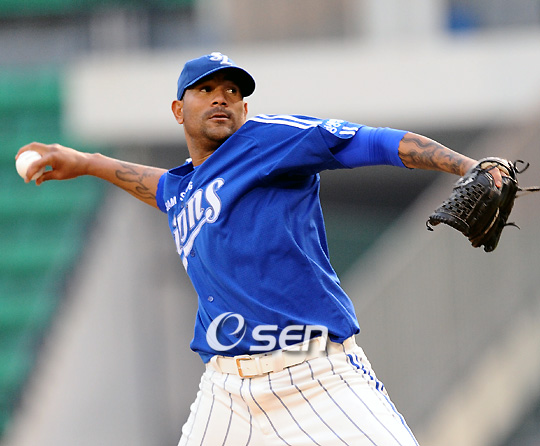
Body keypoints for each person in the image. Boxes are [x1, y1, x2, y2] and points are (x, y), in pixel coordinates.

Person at [18, 52, 504, 446]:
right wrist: (87, 162)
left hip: (313, 376)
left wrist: (466, 166)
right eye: (206, 89)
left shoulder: (268, 141)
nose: (221, 97)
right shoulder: (185, 190)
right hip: (225, 392)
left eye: (233, 91)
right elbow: (160, 187)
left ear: (245, 110)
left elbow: (372, 142)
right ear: (178, 110)